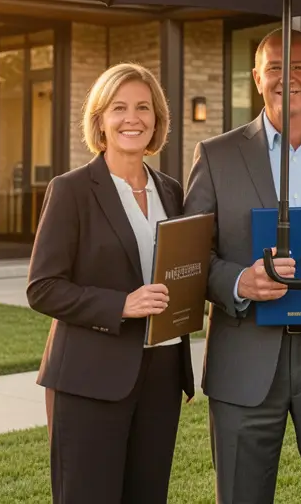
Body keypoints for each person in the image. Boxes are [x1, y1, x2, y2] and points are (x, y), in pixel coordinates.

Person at [184, 28, 301, 504]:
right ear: (256, 77)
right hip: (245, 355)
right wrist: (238, 281)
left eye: (298, 67)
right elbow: (189, 258)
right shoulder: (216, 155)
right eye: (274, 67)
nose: (286, 78)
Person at [27, 62, 195, 504]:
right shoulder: (71, 190)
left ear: (157, 119)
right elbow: (42, 287)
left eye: (143, 107)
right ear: (100, 120)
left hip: (161, 373)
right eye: (119, 108)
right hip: (91, 376)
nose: (131, 118)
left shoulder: (171, 191)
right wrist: (121, 304)